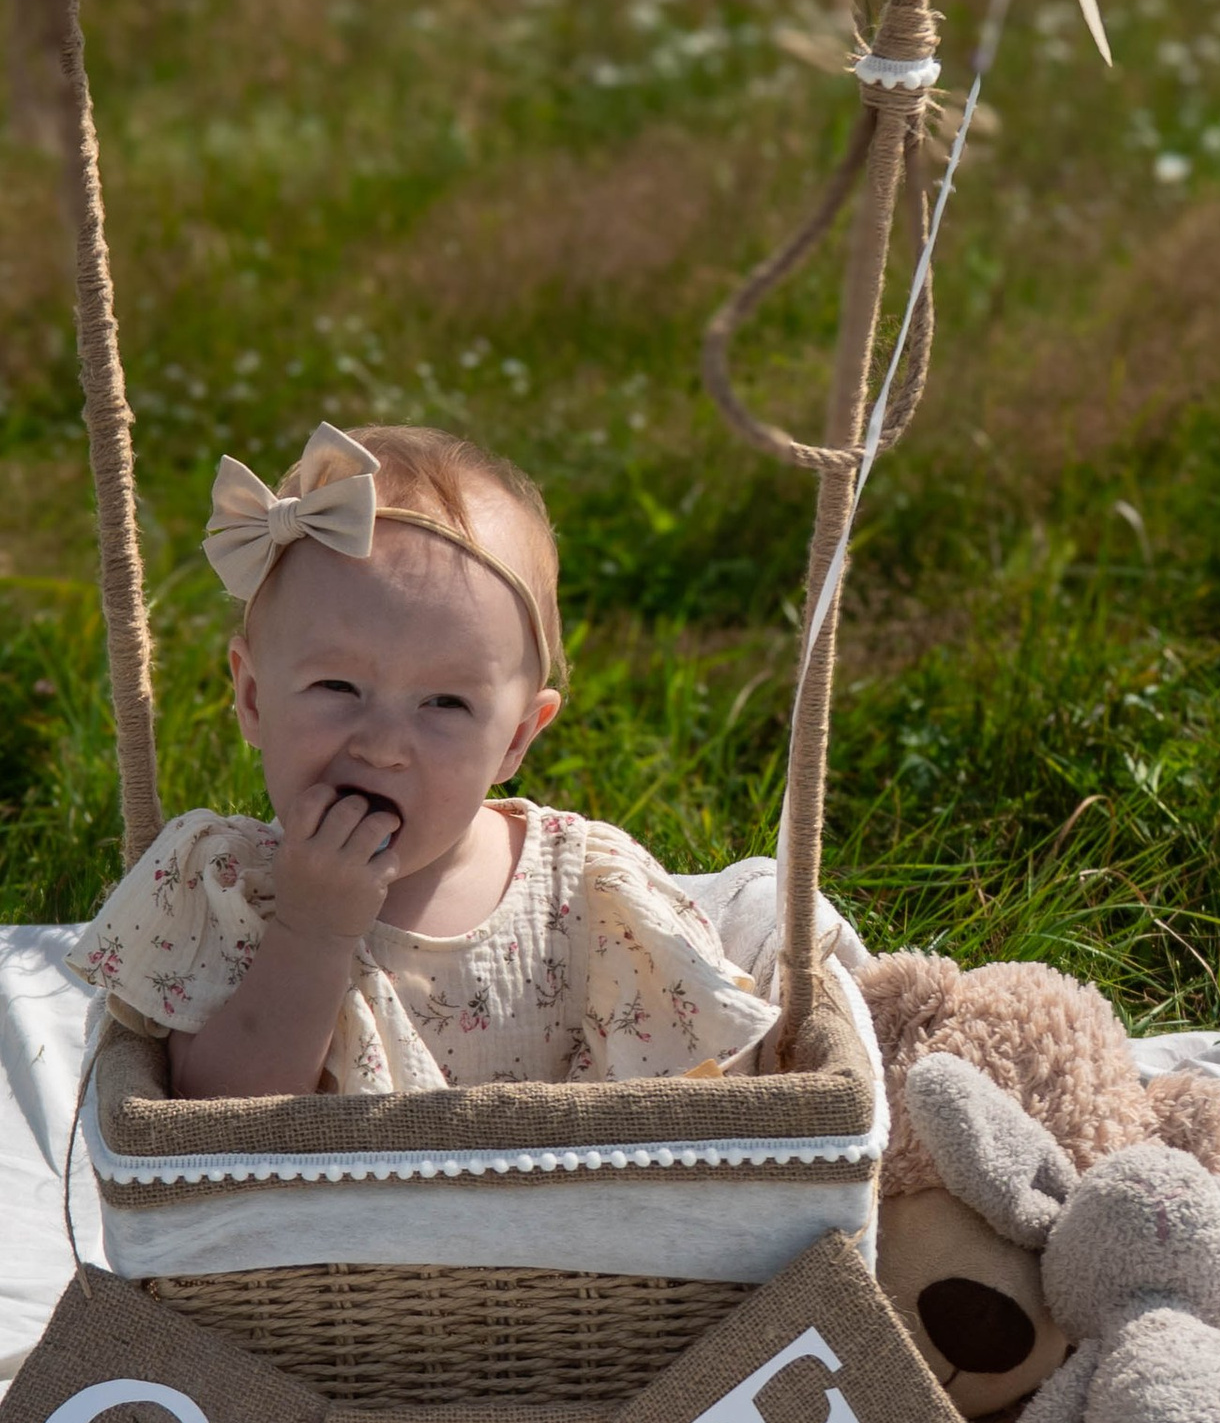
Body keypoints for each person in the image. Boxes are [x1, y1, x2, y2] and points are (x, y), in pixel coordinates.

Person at [69, 421, 778, 1096]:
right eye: (337, 686)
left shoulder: (586, 893)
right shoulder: (228, 890)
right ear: (253, 698)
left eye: (444, 703)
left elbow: (701, 1098)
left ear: (517, 737)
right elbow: (206, 1122)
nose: (381, 746)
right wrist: (310, 932)